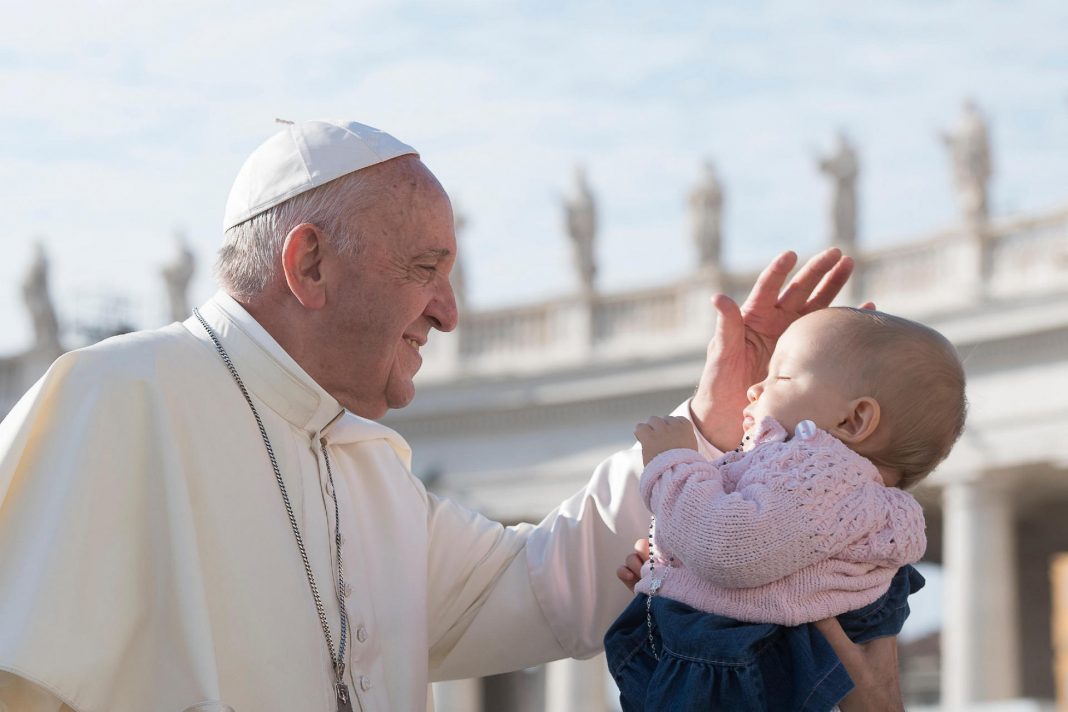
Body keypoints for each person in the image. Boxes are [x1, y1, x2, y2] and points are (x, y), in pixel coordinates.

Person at [0, 119, 890, 712]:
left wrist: (707, 423)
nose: (450, 311)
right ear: (309, 266)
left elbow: (542, 587)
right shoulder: (116, 400)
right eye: (425, 268)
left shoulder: (367, 468)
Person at [605, 307, 967, 711]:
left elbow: (729, 547)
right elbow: (749, 561)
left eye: (780, 376)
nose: (754, 389)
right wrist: (680, 574)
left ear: (855, 419)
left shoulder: (822, 472)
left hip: (724, 678)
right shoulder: (827, 493)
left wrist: (674, 461)